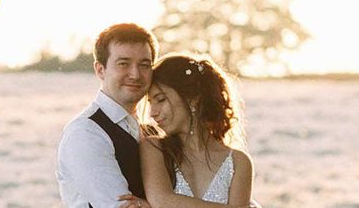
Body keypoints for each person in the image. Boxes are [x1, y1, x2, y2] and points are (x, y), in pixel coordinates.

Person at [127, 53, 255, 208]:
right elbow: (162, 201)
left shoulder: (238, 162)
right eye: (150, 102)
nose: (152, 113)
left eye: (160, 99)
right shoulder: (153, 148)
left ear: (193, 98)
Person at [56, 22, 158, 208]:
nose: (135, 74)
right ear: (100, 70)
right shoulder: (85, 133)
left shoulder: (151, 130)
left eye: (144, 65)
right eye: (123, 64)